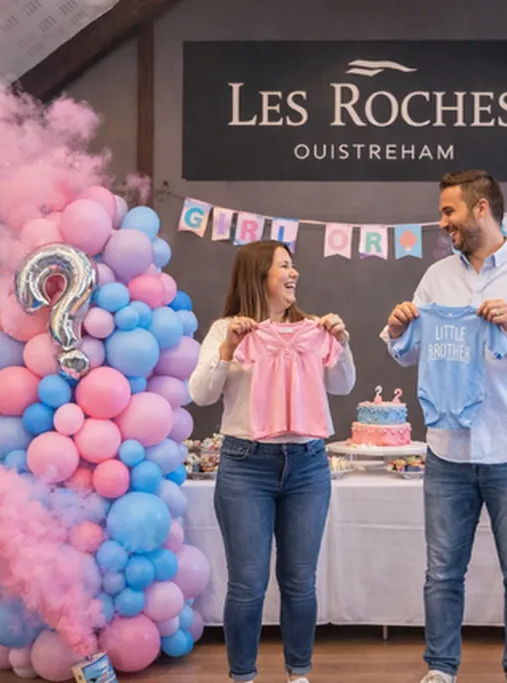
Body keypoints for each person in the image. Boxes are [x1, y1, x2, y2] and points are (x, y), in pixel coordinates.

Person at [380, 170, 507, 683]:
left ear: (481, 208)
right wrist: (398, 330)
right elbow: (407, 353)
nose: (442, 222)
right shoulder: (436, 279)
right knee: (441, 572)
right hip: (448, 449)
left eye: (449, 211)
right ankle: (441, 670)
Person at [189, 240, 356, 683]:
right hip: (246, 464)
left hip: (307, 463)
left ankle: (298, 674)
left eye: (294, 264)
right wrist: (227, 350)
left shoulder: (314, 328)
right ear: (259, 274)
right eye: (284, 265)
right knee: (247, 584)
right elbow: (200, 394)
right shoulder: (227, 329)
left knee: (300, 580)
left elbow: (342, 385)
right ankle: (242, 675)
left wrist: (341, 341)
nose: (294, 272)